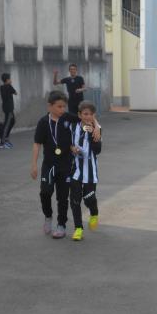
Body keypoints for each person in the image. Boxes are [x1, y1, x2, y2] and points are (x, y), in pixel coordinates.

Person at [31, 91, 101, 239]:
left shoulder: (69, 118)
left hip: (66, 165)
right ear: (50, 106)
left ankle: (62, 225)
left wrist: (96, 128)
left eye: (64, 106)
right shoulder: (43, 122)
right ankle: (48, 216)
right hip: (49, 165)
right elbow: (37, 144)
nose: (62, 110)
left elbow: (88, 117)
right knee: (45, 193)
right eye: (59, 107)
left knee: (63, 198)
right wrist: (34, 165)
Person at [69, 101, 101, 242]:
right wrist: (72, 148)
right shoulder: (73, 126)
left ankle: (94, 213)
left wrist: (93, 134)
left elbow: (98, 150)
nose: (88, 117)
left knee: (89, 199)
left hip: (90, 172)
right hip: (76, 171)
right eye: (85, 114)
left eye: (90, 114)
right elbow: (67, 142)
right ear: (79, 115)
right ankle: (78, 228)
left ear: (94, 115)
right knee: (75, 200)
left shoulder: (97, 129)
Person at [0, 73, 17, 149]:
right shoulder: (8, 86)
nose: (11, 80)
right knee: (7, 124)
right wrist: (10, 85)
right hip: (9, 109)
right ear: (7, 80)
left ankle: (6, 138)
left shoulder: (1, 87)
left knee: (12, 121)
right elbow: (15, 93)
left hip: (6, 108)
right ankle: (2, 142)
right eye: (10, 79)